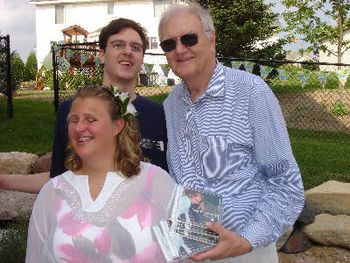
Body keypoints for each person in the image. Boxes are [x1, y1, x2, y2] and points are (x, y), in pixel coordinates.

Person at [158, 2, 305, 263]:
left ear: (212, 39)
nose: (179, 49)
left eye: (189, 38)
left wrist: (246, 240)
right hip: (190, 246)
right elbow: (187, 183)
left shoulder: (252, 93)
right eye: (169, 44)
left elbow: (285, 182)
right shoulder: (171, 105)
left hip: (245, 251)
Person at [0, 18, 167, 193]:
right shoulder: (71, 112)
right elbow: (59, 178)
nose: (128, 51)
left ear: (142, 58)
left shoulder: (160, 115)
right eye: (118, 45)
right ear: (102, 54)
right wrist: (3, 181)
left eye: (135, 47)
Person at [25, 85, 175, 262]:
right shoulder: (52, 192)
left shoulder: (156, 180)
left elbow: (202, 246)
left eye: (90, 119)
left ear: (116, 126)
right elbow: (34, 257)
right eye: (73, 120)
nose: (79, 127)